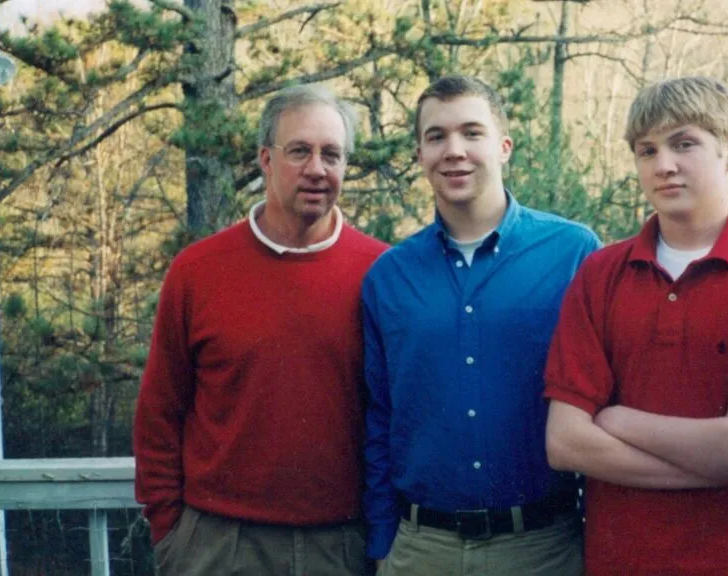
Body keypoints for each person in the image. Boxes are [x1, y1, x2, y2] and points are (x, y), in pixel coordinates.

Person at [543, 75, 728, 576]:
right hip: (624, 563)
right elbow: (566, 442)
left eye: (684, 144)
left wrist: (618, 420)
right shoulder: (600, 275)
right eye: (647, 150)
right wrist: (718, 452)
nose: (664, 165)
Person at [133, 84, 388, 575]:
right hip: (220, 544)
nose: (317, 168)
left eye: (331, 154)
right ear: (266, 159)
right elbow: (160, 412)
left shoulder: (381, 272)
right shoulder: (198, 271)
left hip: (342, 546)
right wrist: (171, 533)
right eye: (299, 151)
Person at [360, 74, 601, 576]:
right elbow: (378, 417)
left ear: (504, 146)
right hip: (421, 552)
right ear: (420, 155)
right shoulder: (389, 277)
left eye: (472, 132)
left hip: (544, 549)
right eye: (436, 136)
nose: (454, 150)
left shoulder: (574, 253)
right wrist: (385, 543)